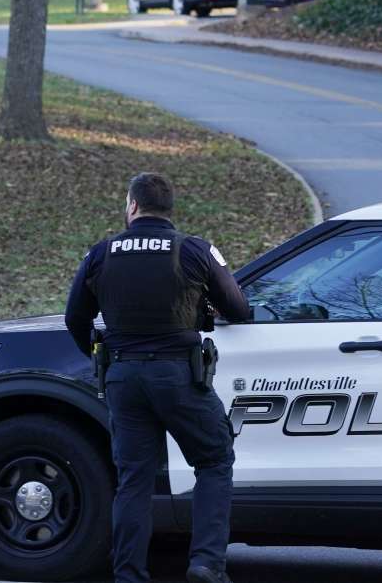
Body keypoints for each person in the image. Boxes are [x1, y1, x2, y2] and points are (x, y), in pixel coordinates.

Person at [64, 172, 251, 583]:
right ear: (169, 209)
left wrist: (100, 354)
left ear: (132, 205)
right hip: (179, 376)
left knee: (134, 480)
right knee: (214, 460)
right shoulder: (195, 249)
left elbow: (74, 317)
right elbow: (239, 308)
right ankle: (206, 564)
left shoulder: (101, 253)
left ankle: (129, 574)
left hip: (123, 377)